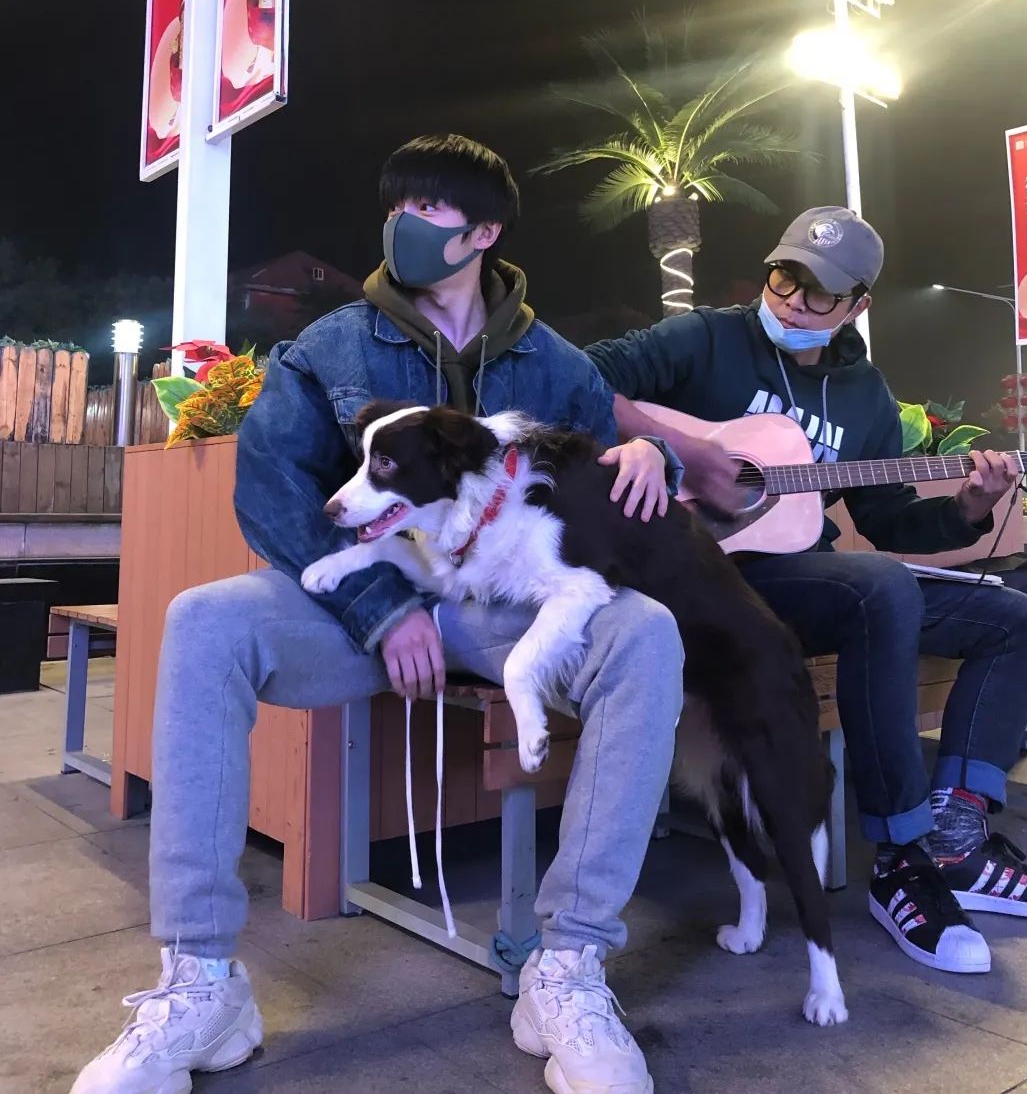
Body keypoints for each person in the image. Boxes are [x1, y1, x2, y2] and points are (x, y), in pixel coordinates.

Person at [73, 134, 680, 1094]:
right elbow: (272, 490)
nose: (402, 224)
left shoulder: (557, 364)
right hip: (369, 603)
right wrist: (381, 606)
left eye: (427, 208)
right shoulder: (331, 344)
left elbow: (593, 488)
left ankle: (566, 965)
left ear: (484, 232)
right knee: (205, 619)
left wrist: (648, 457)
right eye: (396, 205)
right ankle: (199, 980)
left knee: (644, 630)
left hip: (503, 608)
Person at [587, 205, 1027, 976]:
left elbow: (888, 519)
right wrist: (675, 449)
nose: (792, 300)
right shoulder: (705, 338)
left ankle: (956, 832)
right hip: (702, 580)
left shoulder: (865, 395)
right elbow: (570, 378)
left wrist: (966, 507)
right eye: (783, 276)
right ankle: (901, 855)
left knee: (1011, 617)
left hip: (805, 582)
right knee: (878, 589)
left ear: (858, 304)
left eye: (819, 290)